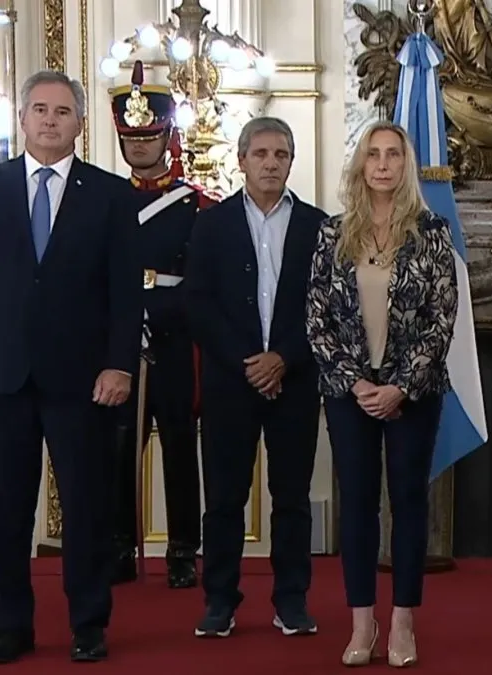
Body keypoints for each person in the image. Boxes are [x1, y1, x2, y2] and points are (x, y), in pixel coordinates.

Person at [0, 70, 141, 663]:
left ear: (80, 123)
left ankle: (88, 622)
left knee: (86, 507)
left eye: (62, 111)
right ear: (22, 118)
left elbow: (126, 293)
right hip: (6, 378)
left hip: (85, 381)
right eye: (40, 110)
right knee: (7, 510)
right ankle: (10, 625)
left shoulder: (110, 195)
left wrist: (119, 365)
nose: (50, 120)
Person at [307, 121, 458, 667]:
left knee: (408, 501)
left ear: (406, 165)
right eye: (373, 154)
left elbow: (442, 320)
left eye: (393, 154)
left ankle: (402, 623)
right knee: (358, 505)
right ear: (361, 165)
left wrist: (399, 387)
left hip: (413, 391)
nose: (383, 164)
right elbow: (317, 320)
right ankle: (361, 623)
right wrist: (358, 384)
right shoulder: (332, 234)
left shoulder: (432, 232)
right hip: (349, 390)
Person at [185, 117, 327, 638]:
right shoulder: (211, 224)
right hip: (230, 382)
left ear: (291, 162)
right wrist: (249, 361)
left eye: (281, 154)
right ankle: (220, 602)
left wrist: (283, 359)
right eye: (261, 154)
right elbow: (197, 304)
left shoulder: (318, 226)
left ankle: (291, 600)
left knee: (291, 499)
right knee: (224, 499)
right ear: (242, 160)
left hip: (294, 381)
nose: (271, 163)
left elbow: (327, 308)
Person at [108, 60, 212, 589]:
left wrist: (161, 314)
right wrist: (129, 319)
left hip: (174, 339)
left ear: (166, 136)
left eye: (148, 138)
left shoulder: (196, 204)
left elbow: (203, 280)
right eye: (131, 140)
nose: (140, 148)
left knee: (178, 443)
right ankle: (121, 546)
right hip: (121, 341)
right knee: (121, 446)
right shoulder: (107, 200)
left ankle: (182, 550)